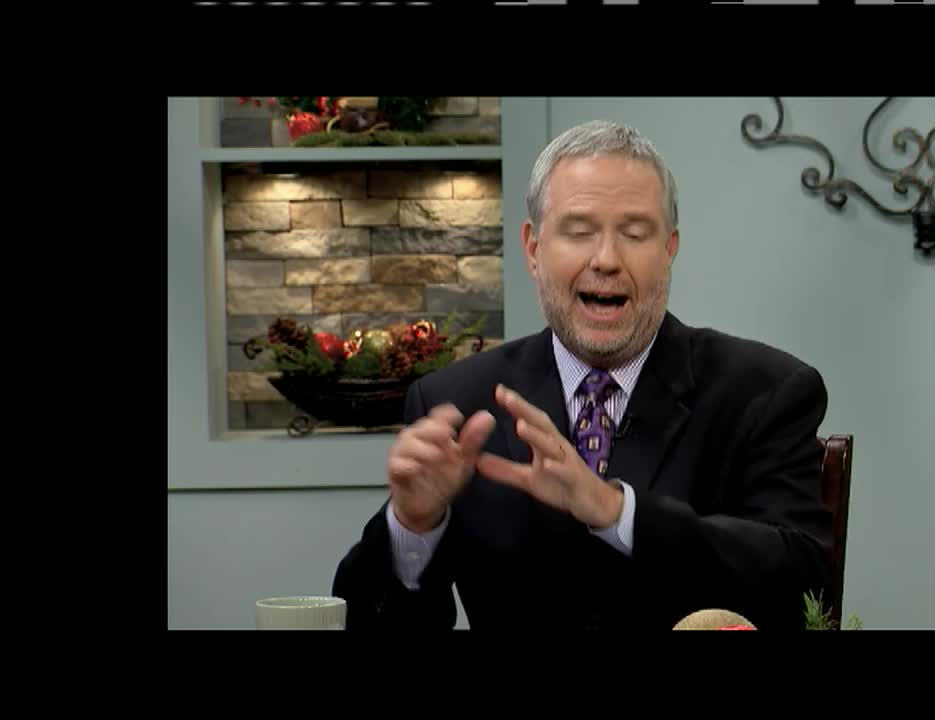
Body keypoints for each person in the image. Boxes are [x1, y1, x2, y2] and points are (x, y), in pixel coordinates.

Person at [332, 120, 835, 630]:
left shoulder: (764, 391)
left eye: (635, 234)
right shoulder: (456, 402)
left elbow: (804, 579)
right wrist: (413, 527)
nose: (607, 260)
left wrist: (616, 511)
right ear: (532, 249)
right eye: (579, 232)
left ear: (669, 250)